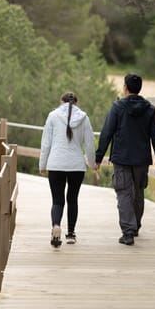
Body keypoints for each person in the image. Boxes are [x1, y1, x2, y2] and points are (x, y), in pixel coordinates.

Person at [95, 73, 155, 246]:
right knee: (138, 193)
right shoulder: (149, 109)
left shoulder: (117, 107)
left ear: (125, 88)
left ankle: (128, 232)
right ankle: (135, 227)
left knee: (124, 194)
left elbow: (107, 133)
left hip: (121, 158)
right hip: (142, 159)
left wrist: (98, 157)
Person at [39, 92, 95, 247]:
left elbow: (46, 144)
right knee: (72, 199)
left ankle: (56, 226)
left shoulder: (53, 116)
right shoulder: (84, 117)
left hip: (56, 165)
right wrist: (91, 163)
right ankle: (70, 234)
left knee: (57, 201)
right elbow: (90, 144)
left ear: (61, 102)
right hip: (76, 166)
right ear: (76, 103)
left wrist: (42, 165)